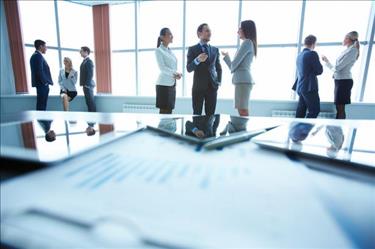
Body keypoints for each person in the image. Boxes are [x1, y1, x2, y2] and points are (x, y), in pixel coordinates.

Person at [221, 20, 257, 117]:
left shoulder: (247, 43)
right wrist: (227, 57)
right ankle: (244, 130)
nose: (238, 32)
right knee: (242, 110)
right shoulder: (248, 43)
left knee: (243, 111)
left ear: (246, 29)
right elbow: (234, 67)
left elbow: (233, 67)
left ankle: (245, 131)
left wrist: (227, 56)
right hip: (243, 81)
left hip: (243, 81)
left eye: (240, 29)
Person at [322, 31, 360, 119]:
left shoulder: (352, 51)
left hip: (344, 81)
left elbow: (338, 68)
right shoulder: (348, 50)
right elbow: (338, 68)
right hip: (340, 81)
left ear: (349, 40)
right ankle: (338, 130)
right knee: (339, 107)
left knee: (340, 108)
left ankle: (339, 128)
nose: (343, 40)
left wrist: (327, 62)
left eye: (345, 38)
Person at [187, 23, 222, 115]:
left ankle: (208, 130)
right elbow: (189, 68)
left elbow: (218, 68)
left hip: (212, 87)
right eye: (207, 30)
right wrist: (197, 60)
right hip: (198, 88)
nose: (209, 33)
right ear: (199, 34)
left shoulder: (215, 50)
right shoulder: (192, 49)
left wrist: (218, 82)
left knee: (211, 116)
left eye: (210, 31)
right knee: (197, 114)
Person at [294, 35, 323, 118]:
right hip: (309, 87)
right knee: (314, 110)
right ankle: (306, 129)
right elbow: (319, 70)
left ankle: (298, 129)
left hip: (301, 87)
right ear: (313, 44)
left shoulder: (299, 55)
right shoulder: (312, 53)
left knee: (301, 110)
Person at [155, 28, 182, 114]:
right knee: (164, 113)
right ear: (162, 37)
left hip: (171, 84)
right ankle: (161, 128)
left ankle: (166, 128)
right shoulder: (158, 50)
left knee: (169, 112)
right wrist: (175, 73)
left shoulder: (170, 51)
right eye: (169, 34)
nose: (172, 36)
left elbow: (172, 67)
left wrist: (178, 74)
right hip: (163, 85)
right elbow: (162, 68)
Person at [30, 39, 53, 111]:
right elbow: (39, 71)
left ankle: (41, 121)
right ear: (40, 46)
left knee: (41, 104)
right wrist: (45, 83)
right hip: (42, 85)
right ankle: (41, 121)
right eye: (45, 46)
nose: (46, 48)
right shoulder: (38, 56)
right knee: (41, 105)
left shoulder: (36, 55)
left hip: (41, 84)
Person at [80, 46, 96, 112]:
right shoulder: (84, 61)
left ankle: (93, 119)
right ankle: (91, 119)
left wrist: (86, 85)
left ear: (86, 52)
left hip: (88, 85)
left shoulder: (89, 61)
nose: (80, 53)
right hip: (85, 85)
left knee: (90, 102)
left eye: (81, 51)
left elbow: (90, 74)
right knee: (88, 102)